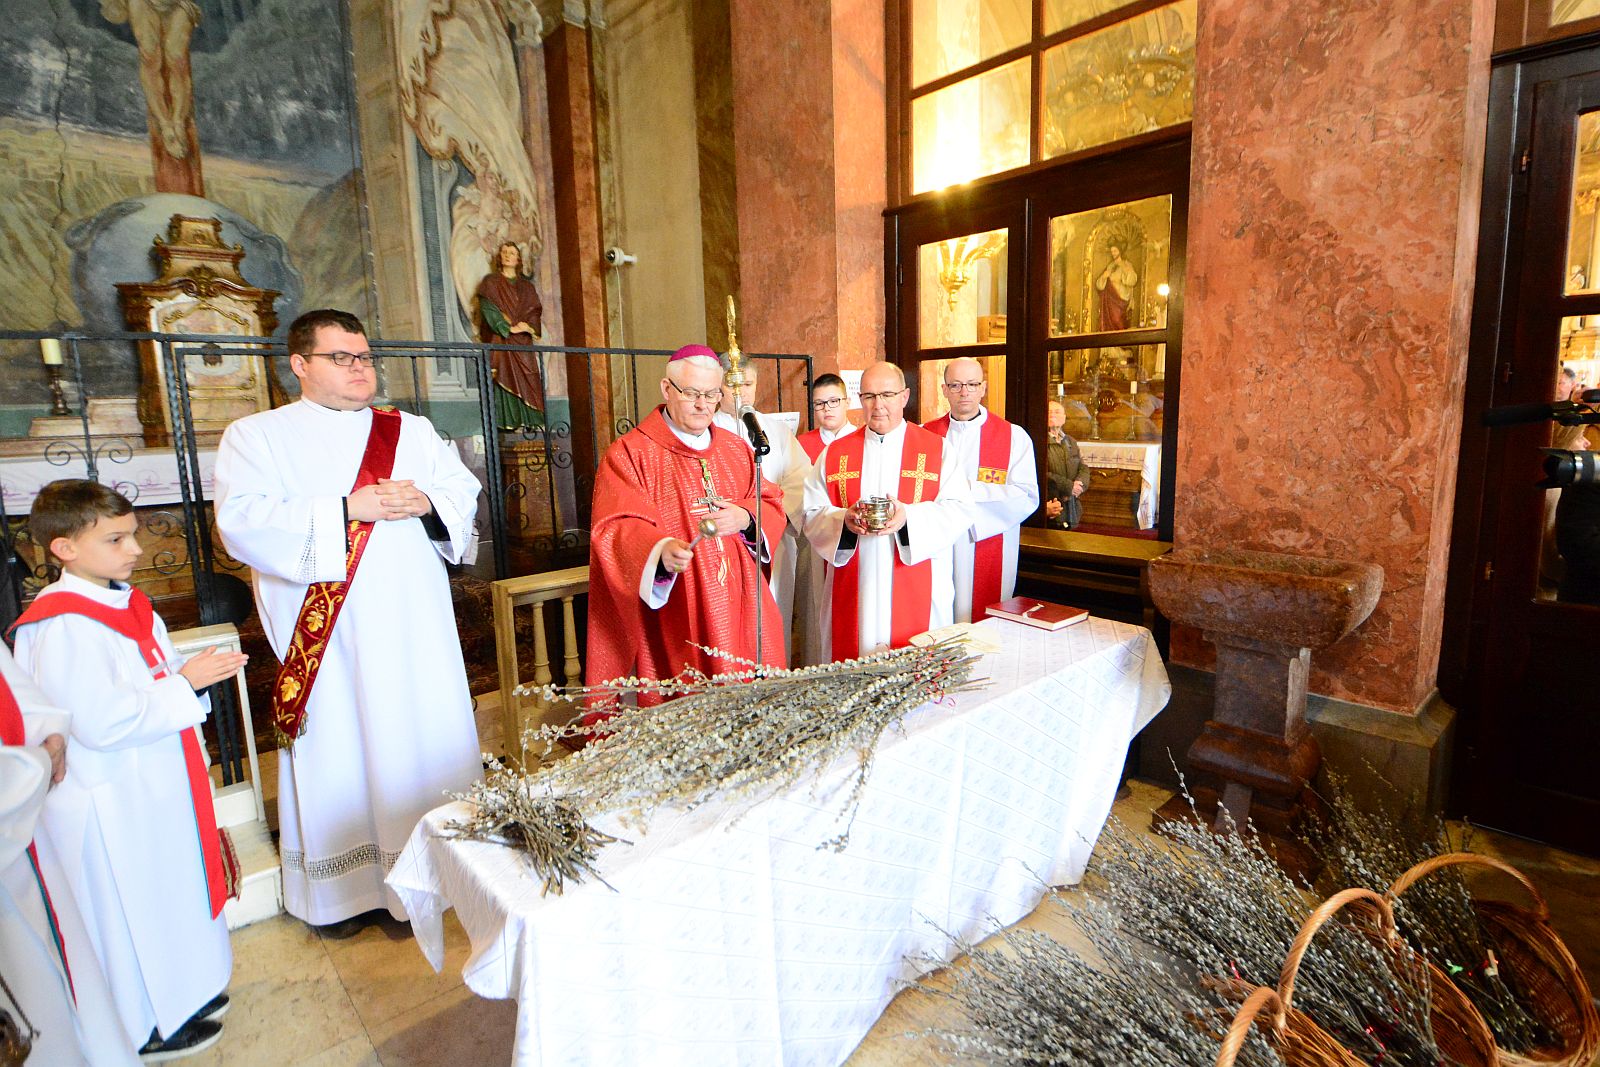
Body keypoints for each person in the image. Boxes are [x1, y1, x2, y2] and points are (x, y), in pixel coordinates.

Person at [213, 308, 484, 930]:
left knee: (422, 732)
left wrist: (430, 501)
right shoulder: (257, 436)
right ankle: (347, 893)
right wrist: (344, 508)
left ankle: (441, 872)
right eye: (342, 358)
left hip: (414, 623)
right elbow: (243, 522)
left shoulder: (409, 428)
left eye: (363, 356)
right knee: (342, 740)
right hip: (331, 634)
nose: (360, 369)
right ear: (300, 364)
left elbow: (459, 490)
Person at [11, 480, 240, 1060]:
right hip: (108, 797)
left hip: (152, 781)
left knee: (169, 891)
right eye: (115, 539)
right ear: (63, 548)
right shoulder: (62, 623)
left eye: (132, 534)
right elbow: (100, 722)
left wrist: (186, 670)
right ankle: (145, 1024)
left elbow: (146, 673)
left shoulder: (119, 600)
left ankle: (185, 991)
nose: (134, 549)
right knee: (130, 909)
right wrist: (186, 684)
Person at [588, 345, 787, 692]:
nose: (703, 405)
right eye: (692, 393)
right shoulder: (631, 454)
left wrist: (745, 516)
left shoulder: (736, 448)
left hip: (742, 599)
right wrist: (658, 551)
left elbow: (769, 500)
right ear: (667, 389)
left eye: (712, 394)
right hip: (680, 601)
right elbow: (615, 526)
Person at [1, 642, 141, 1067]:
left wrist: (51, 736)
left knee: (71, 994)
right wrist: (38, 762)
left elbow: (16, 690)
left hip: (26, 830)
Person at [801, 362, 974, 660]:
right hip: (855, 588)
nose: (878, 405)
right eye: (869, 396)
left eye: (887, 395)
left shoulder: (937, 450)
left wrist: (908, 517)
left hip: (917, 584)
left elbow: (959, 509)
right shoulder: (835, 453)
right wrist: (844, 520)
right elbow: (811, 512)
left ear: (904, 397)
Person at [922, 358, 1039, 621]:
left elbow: (1028, 496)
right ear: (944, 389)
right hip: (938, 543)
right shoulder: (924, 435)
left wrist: (965, 490)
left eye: (972, 384)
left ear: (983, 388)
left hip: (984, 539)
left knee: (984, 623)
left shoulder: (1013, 437)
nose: (965, 392)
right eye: (956, 385)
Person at [713, 357, 809, 662]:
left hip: (773, 543)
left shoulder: (776, 432)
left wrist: (765, 519)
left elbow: (799, 482)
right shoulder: (707, 429)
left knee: (773, 616)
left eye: (748, 384)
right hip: (723, 546)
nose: (740, 392)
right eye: (732, 383)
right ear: (718, 385)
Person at [475, 240, 546, 430]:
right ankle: (510, 422)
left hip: (523, 342)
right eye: (504, 252)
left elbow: (535, 311)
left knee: (529, 377)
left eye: (512, 253)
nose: (507, 255)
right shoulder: (491, 282)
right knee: (505, 375)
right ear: (499, 257)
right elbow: (488, 308)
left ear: (518, 259)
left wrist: (527, 327)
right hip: (502, 339)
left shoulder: (527, 287)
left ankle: (531, 422)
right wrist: (505, 328)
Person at [1045, 399, 1091, 530]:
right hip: (1052, 504)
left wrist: (1080, 485)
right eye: (1049, 412)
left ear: (1064, 418)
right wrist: (1068, 486)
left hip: (1072, 505)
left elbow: (1083, 466)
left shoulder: (1070, 441)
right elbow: (1041, 471)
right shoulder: (1039, 439)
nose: (1053, 414)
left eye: (1057, 412)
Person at [796, 373, 856, 462]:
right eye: (819, 403)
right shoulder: (802, 444)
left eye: (833, 401)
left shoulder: (863, 440)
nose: (826, 408)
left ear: (847, 403)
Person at [1095, 245, 1137, 331]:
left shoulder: (1126, 264)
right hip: (1109, 299)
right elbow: (1099, 285)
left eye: (1115, 251)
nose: (1113, 253)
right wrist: (1103, 277)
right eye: (1112, 251)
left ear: (1120, 251)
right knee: (1110, 323)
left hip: (1120, 299)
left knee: (1117, 320)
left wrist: (1124, 268)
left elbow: (1132, 281)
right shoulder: (1110, 266)